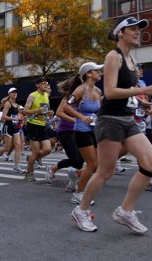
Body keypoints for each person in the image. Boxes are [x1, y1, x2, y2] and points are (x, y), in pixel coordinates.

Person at [70, 16, 152, 234]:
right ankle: (81, 210)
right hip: (110, 120)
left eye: (139, 28)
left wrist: (141, 101)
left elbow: (123, 92)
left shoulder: (132, 60)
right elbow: (110, 92)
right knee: (105, 171)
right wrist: (141, 91)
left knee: (150, 164)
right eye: (133, 29)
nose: (138, 32)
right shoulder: (114, 56)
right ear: (121, 33)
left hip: (128, 119)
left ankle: (126, 211)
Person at [53, 62, 102, 203]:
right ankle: (78, 194)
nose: (100, 72)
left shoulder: (98, 92)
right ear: (88, 74)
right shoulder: (81, 90)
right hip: (81, 131)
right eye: (97, 70)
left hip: (94, 130)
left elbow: (100, 110)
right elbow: (67, 106)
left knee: (97, 164)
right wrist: (80, 117)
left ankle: (75, 173)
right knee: (92, 165)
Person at [22, 79, 52, 181]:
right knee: (35, 151)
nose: (46, 85)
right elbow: (25, 111)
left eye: (47, 84)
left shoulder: (46, 95)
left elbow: (44, 111)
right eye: (43, 83)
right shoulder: (32, 95)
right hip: (33, 125)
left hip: (42, 125)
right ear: (37, 85)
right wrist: (37, 110)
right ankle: (28, 173)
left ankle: (33, 158)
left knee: (48, 149)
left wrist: (49, 113)